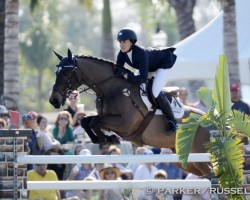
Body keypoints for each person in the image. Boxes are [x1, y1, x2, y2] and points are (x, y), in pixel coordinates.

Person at [115, 28, 177, 132]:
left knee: (155, 91)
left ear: (132, 42)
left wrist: (126, 76)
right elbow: (117, 70)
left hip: (163, 64)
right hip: (149, 67)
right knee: (135, 85)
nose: (122, 45)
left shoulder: (140, 53)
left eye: (124, 42)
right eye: (120, 42)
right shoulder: (122, 54)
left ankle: (172, 121)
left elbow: (142, 79)